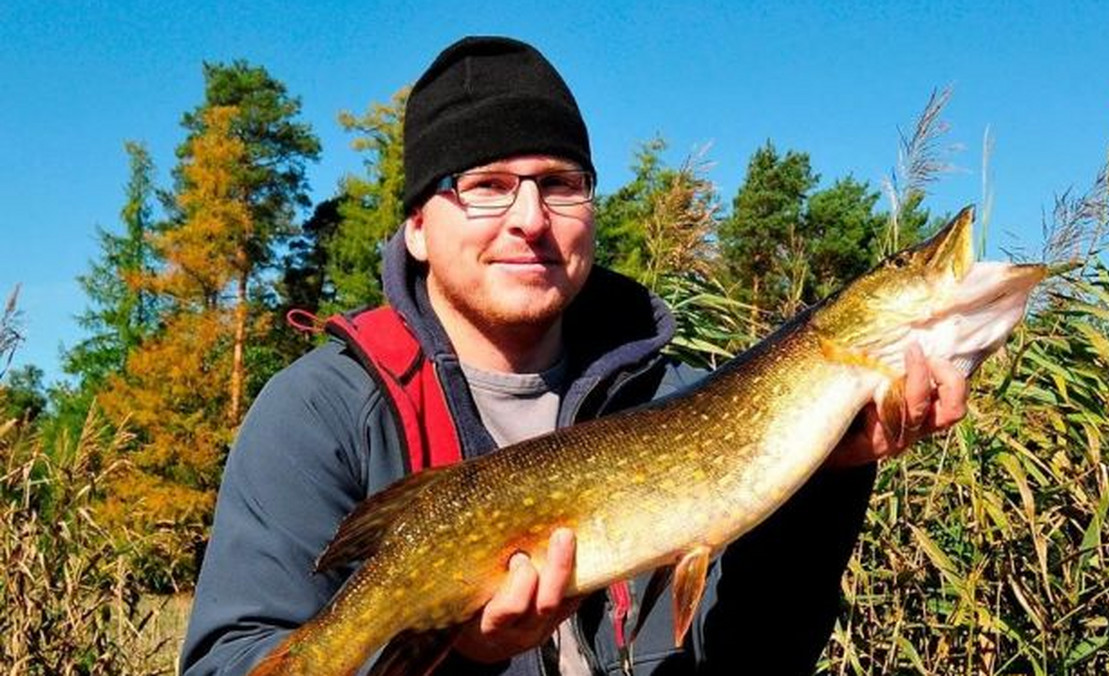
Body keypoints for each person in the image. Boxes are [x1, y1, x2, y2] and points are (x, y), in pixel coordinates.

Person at [180, 36, 967, 675]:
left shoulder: (678, 397)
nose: (530, 217)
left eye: (561, 184)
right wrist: (463, 651)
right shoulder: (319, 415)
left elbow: (753, 654)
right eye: (485, 185)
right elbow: (228, 662)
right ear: (417, 227)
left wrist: (833, 475)